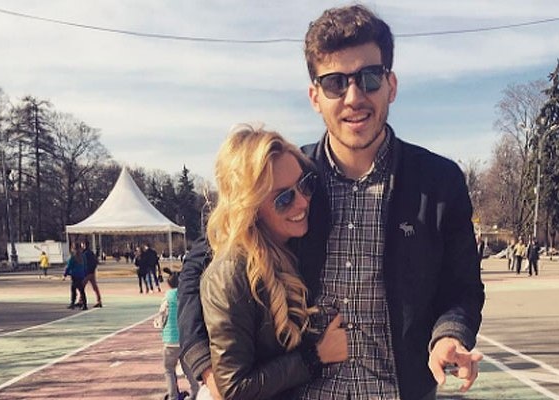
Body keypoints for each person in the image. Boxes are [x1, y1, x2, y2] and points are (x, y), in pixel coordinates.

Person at [179, 5, 485, 400]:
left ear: (391, 85)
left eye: (369, 78)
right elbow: (200, 266)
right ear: (315, 96)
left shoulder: (439, 181)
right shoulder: (291, 178)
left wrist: (449, 336)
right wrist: (204, 364)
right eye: (335, 83)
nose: (353, 97)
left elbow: (462, 286)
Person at [198, 126, 348, 399]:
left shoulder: (292, 247)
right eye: (283, 198)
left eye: (305, 184)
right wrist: (315, 357)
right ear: (251, 208)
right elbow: (233, 387)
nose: (302, 203)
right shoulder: (231, 272)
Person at [155, 267, 200, 400]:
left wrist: (159, 326)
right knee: (188, 369)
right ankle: (195, 392)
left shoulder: (167, 298)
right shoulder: (185, 296)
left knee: (169, 369)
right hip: (184, 339)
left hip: (170, 340)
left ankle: (173, 395)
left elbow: (162, 316)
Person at [63, 244, 87, 310]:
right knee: (80, 290)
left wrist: (65, 274)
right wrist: (85, 274)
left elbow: (69, 266)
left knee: (74, 289)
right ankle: (83, 304)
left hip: (75, 275)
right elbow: (85, 266)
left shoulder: (73, 257)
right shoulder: (83, 256)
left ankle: (74, 304)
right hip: (81, 275)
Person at [81, 241, 103, 307]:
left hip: (87, 272)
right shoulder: (91, 253)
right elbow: (96, 261)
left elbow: (83, 263)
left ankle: (81, 301)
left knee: (81, 287)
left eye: (82, 245)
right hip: (92, 272)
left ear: (85, 245)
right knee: (95, 287)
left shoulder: (85, 253)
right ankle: (99, 301)